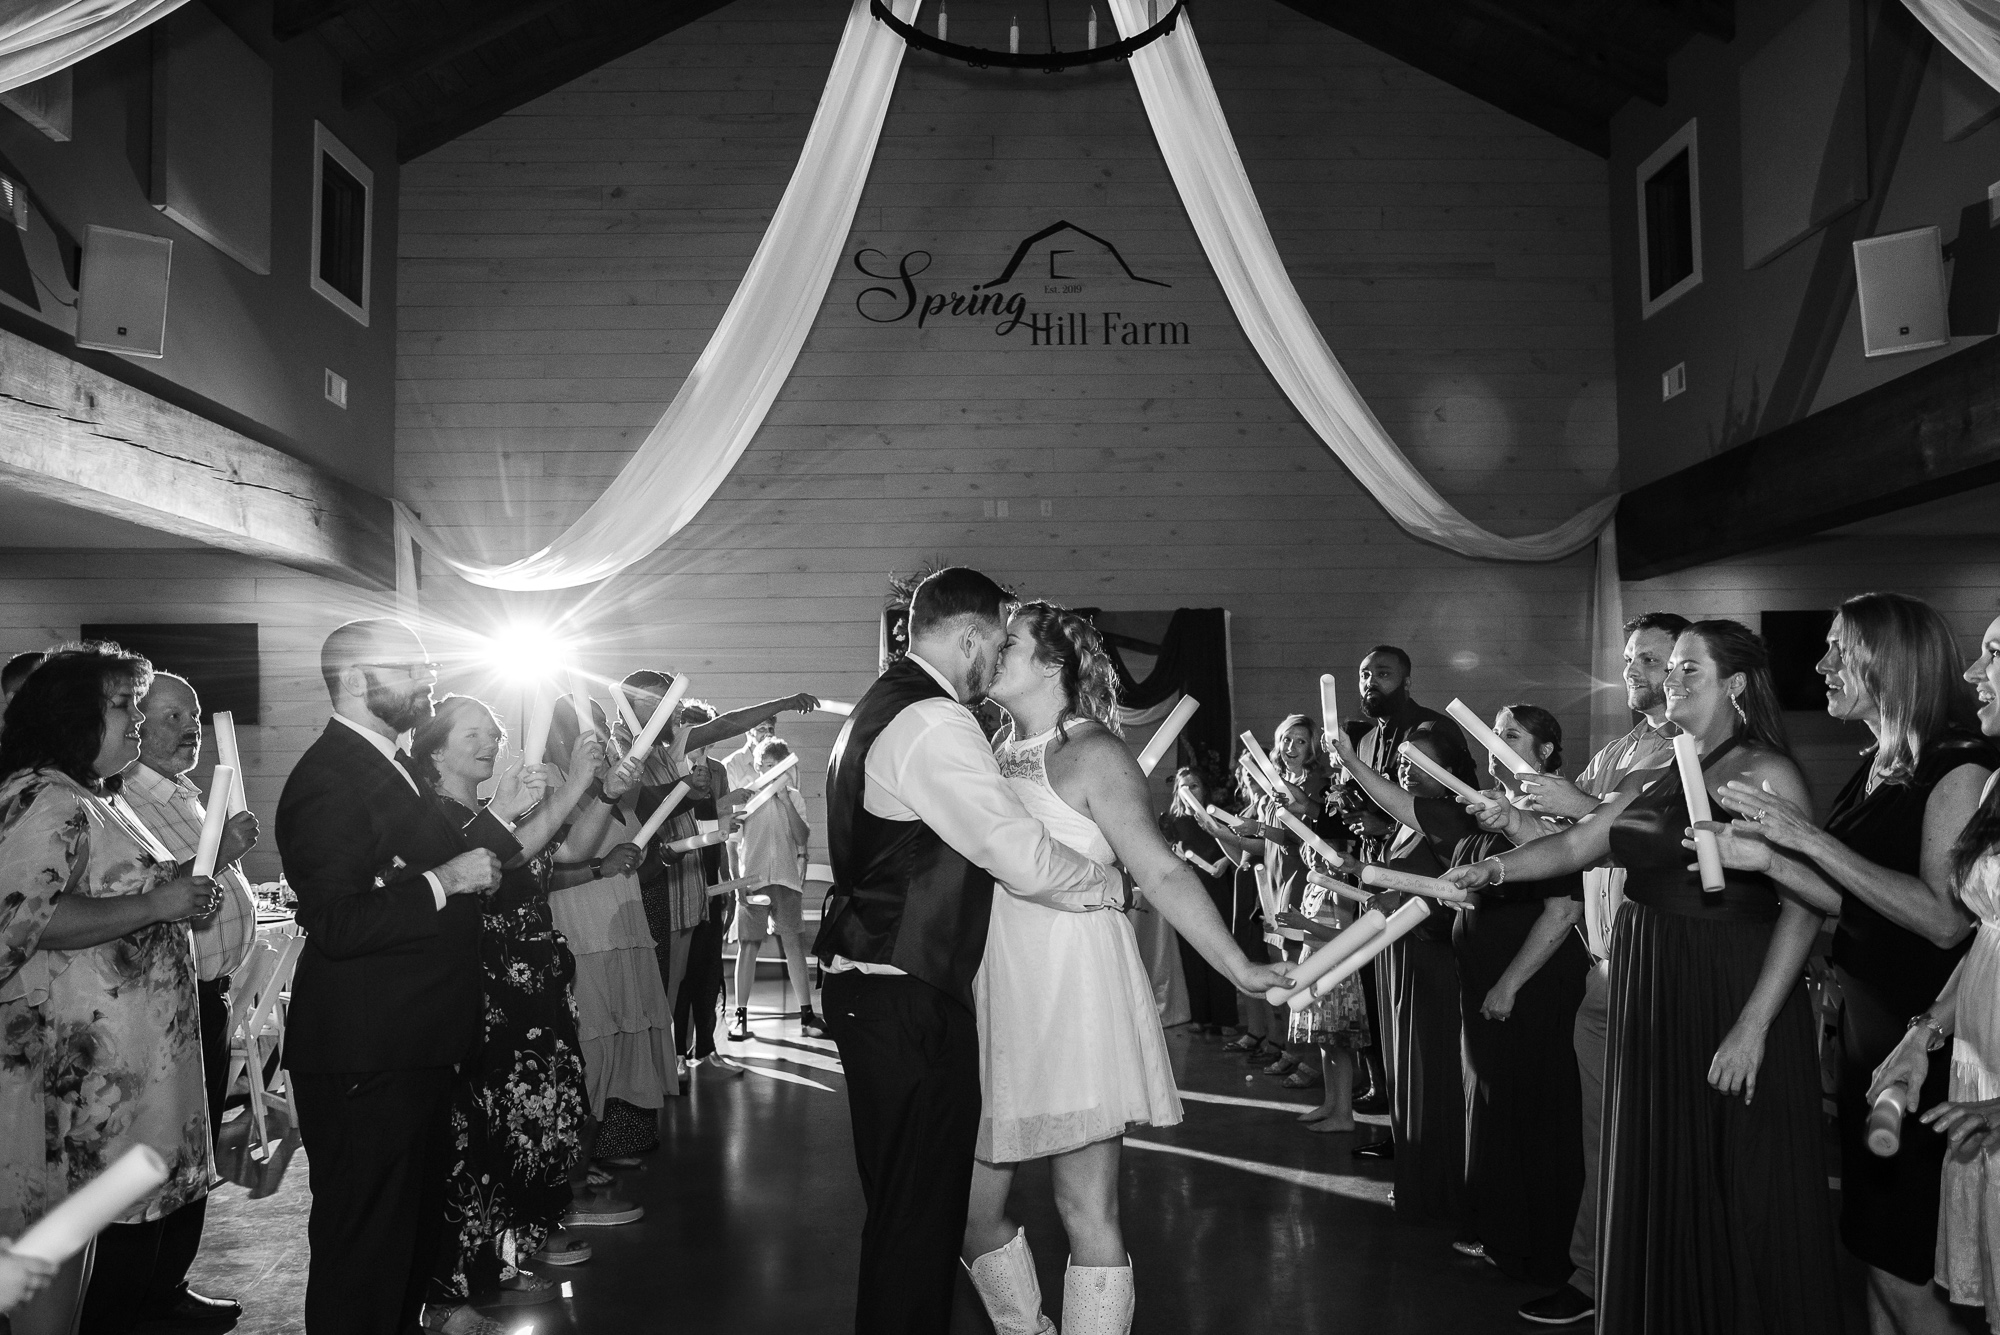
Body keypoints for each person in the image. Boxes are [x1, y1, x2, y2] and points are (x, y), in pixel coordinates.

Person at [1443, 620, 1842, 1334]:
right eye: (1671, 668)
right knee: (1660, 1165)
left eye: (1690, 669)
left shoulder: (1763, 770)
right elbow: (1578, 844)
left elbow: (1806, 904)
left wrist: (1752, 1025)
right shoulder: (1662, 768)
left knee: (1725, 1172)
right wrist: (1494, 868)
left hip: (1722, 979)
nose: (1672, 680)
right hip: (1651, 981)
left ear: (1736, 684)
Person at [810, 567, 1126, 1335]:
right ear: (969, 636)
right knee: (917, 1222)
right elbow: (1015, 852)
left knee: (909, 1214)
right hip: (904, 991)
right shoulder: (934, 720)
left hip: (876, 982)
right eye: (998, 642)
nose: (997, 660)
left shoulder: (882, 704)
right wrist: (1106, 881)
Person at [961, 601, 1290, 1335]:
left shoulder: (1095, 754)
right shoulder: (987, 748)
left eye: (1007, 643)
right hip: (997, 985)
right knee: (971, 1210)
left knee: (1086, 1208)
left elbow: (1162, 871)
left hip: (1073, 983)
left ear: (1052, 663)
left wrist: (1238, 965)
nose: (990, 652)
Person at [1707, 596, 1988, 1335]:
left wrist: (1808, 839)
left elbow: (1942, 919)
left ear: (1893, 662)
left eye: (1841, 650)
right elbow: (1853, 901)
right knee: (1870, 1250)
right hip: (1870, 1032)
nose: (1823, 664)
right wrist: (1768, 859)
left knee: (1905, 1267)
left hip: (1928, 1036)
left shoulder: (1957, 765)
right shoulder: (1878, 766)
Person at [275, 620, 513, 1335]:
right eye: (408, 666)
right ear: (355, 680)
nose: (426, 677)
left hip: (410, 1042)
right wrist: (446, 880)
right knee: (365, 1250)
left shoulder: (390, 762)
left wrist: (491, 835)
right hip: (365, 1052)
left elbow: (442, 861)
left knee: (404, 1241)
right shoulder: (328, 777)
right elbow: (337, 922)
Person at [0, 644, 231, 1335]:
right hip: (73, 1083)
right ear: (73, 714)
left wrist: (177, 888)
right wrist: (157, 904)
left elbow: (117, 889)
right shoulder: (44, 798)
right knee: (71, 1269)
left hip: (119, 1073)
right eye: (125, 704)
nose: (137, 719)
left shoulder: (91, 795)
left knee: (93, 1266)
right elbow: (19, 919)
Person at [413, 694, 621, 1327]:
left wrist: (605, 792)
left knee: (534, 1123)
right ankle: (464, 1282)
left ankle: (512, 1251)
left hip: (531, 989)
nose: (490, 744)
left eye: (494, 734)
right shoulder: (438, 818)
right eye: (473, 735)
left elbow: (566, 849)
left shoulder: (487, 810)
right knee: (485, 1136)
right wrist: (574, 784)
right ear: (435, 750)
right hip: (489, 996)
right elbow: (508, 855)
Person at [1512, 611, 1685, 1327]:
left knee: (1660, 1137)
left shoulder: (1691, 750)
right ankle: (1594, 1274)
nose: (1633, 670)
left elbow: (1644, 837)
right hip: (1606, 964)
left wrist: (1576, 805)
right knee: (1601, 1136)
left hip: (1664, 968)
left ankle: (1653, 1278)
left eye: (1651, 660)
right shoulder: (1620, 747)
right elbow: (1571, 839)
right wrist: (1508, 820)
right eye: (1630, 658)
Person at [111, 672, 258, 1328]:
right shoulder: (125, 797)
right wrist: (222, 850)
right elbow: (149, 891)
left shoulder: (185, 793)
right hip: (166, 1000)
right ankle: (141, 1298)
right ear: (136, 723)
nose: (189, 729)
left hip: (207, 994)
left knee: (196, 1149)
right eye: (170, 716)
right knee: (161, 1150)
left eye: (193, 716)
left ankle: (170, 1283)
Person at [1871, 609, 2000, 1328]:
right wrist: (1923, 1034)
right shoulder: (1996, 783)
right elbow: (1987, 936)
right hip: (1979, 1061)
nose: (1974, 673)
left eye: (1995, 653)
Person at [613, 674, 819, 1077]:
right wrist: (695, 793)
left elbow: (726, 725)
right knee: (657, 984)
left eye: (672, 702)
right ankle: (656, 1068)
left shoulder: (671, 746)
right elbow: (636, 809)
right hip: (651, 880)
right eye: (656, 702)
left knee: (689, 977)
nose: (669, 711)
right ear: (627, 707)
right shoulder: (621, 749)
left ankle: (682, 1060)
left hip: (690, 880)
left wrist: (781, 703)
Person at [1325, 721, 1477, 1188]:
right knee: (1402, 1064)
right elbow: (1404, 879)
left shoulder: (1449, 815)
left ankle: (1437, 1175)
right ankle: (1412, 1162)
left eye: (1421, 761)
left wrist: (1351, 761)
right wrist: (1360, 870)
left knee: (1430, 1066)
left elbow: (1452, 893)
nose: (1407, 769)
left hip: (1432, 956)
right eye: (1404, 761)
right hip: (1400, 951)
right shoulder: (1410, 822)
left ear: (1448, 769)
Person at [545, 696, 679, 1170]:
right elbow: (538, 871)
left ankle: (609, 1146)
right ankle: (573, 1168)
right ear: (557, 736)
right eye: (586, 725)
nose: (599, 735)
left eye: (601, 725)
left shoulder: (612, 787)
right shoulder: (548, 787)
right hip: (581, 932)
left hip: (623, 928)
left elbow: (627, 864)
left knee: (624, 1032)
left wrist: (654, 859)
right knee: (592, 1042)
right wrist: (601, 867)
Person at [1341, 646, 1464, 1111]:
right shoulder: (1367, 738)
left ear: (1407, 680)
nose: (1371, 682)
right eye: (1364, 674)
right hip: (1378, 873)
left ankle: (1415, 1110)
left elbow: (1450, 807)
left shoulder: (1432, 728)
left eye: (1383, 673)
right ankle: (1386, 1091)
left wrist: (1385, 825)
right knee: (1376, 994)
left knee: (1420, 1019)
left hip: (1423, 885)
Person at [725, 737, 817, 1040]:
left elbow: (802, 838)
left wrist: (786, 801)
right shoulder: (746, 798)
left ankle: (807, 1015)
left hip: (787, 880)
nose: (770, 772)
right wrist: (736, 884)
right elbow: (732, 845)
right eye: (765, 766)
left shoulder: (795, 797)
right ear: (757, 768)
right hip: (752, 880)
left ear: (785, 769)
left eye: (776, 766)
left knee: (793, 944)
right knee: (748, 945)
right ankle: (740, 1015)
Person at [1160, 767, 1240, 1033]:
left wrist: (1224, 862)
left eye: (1194, 785)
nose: (1189, 791)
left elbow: (1236, 848)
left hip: (1216, 888)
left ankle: (1225, 1019)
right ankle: (1200, 1017)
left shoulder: (1215, 817)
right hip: (1187, 892)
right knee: (1192, 955)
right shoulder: (1171, 821)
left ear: (1203, 790)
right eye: (1184, 786)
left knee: (1221, 949)